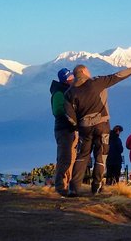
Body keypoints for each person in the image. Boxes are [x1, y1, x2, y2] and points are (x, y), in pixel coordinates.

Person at [64, 64, 131, 195]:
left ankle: (74, 187)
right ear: (83, 71)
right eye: (88, 70)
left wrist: (77, 127)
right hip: (102, 124)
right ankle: (96, 186)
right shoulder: (96, 82)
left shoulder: (69, 93)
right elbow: (116, 77)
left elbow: (69, 116)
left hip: (84, 127)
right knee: (101, 155)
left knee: (82, 156)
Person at [50, 68, 77, 196]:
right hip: (64, 129)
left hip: (71, 129)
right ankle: (60, 186)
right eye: (71, 78)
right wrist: (72, 112)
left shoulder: (66, 90)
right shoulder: (59, 92)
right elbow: (58, 111)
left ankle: (69, 185)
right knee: (64, 158)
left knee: (71, 158)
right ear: (67, 79)